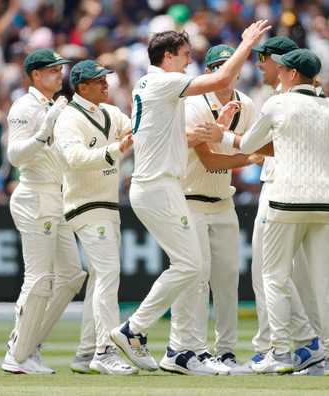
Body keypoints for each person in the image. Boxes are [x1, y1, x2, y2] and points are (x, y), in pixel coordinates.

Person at [110, 21, 271, 376]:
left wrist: (216, 126)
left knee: (192, 267)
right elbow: (218, 80)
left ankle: (178, 350)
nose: (188, 63)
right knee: (191, 267)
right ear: (167, 57)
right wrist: (246, 43)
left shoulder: (152, 86)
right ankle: (137, 331)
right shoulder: (163, 81)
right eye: (185, 56)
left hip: (158, 186)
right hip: (160, 187)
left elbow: (162, 133)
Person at [230, 36, 329, 374]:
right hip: (324, 202)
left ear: (290, 73)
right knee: (325, 285)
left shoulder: (277, 104)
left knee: (274, 278)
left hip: (286, 199)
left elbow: (247, 144)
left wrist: (219, 133)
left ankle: (279, 353)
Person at [54, 60, 145, 375]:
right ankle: (105, 351)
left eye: (105, 80)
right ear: (81, 88)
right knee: (108, 274)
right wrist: (116, 150)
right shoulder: (68, 118)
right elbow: (75, 158)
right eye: (98, 82)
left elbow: (135, 128)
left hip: (106, 205)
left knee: (100, 279)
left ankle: (86, 352)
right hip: (84, 205)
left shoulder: (108, 113)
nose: (106, 85)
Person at [1, 49, 86, 375]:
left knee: (71, 276)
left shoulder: (55, 104)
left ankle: (28, 344)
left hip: (57, 197)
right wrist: (42, 131)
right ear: (35, 75)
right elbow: (15, 156)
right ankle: (17, 353)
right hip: (34, 195)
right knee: (39, 279)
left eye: (60, 70)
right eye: (52, 70)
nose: (59, 75)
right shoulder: (25, 106)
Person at [176, 44, 258, 375]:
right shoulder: (193, 103)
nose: (227, 72)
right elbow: (209, 159)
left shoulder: (247, 105)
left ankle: (224, 352)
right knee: (196, 278)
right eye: (220, 67)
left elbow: (257, 144)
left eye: (231, 66)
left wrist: (246, 151)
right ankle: (191, 350)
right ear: (209, 72)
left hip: (223, 201)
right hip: (189, 199)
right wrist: (248, 157)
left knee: (226, 280)